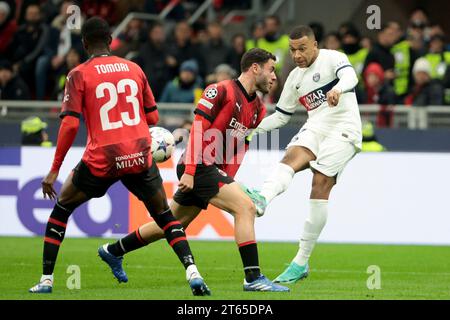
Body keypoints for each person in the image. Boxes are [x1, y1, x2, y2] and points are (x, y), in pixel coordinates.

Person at [29, 17, 210, 296]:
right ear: (111, 40)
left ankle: (46, 281)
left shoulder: (79, 73)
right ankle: (193, 273)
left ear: (85, 43)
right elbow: (153, 117)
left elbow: (70, 124)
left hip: (102, 158)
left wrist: (54, 170)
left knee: (62, 209)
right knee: (165, 216)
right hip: (139, 154)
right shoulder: (134, 68)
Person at [99, 48, 290, 292]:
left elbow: (240, 146)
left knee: (171, 224)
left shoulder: (258, 109)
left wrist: (228, 178)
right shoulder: (220, 90)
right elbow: (199, 127)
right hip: (198, 165)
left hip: (211, 170)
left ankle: (112, 251)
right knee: (246, 207)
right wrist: (190, 170)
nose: (274, 77)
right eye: (271, 70)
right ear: (255, 68)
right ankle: (253, 278)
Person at [245, 25, 362, 284]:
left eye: (302, 49)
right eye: (292, 50)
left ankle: (301, 262)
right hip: (315, 127)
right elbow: (281, 117)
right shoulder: (295, 79)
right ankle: (262, 199)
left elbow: (351, 78)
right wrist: (249, 128)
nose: (297, 55)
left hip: (344, 128)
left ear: (315, 45)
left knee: (319, 183)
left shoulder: (334, 58)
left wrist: (338, 90)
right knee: (290, 158)